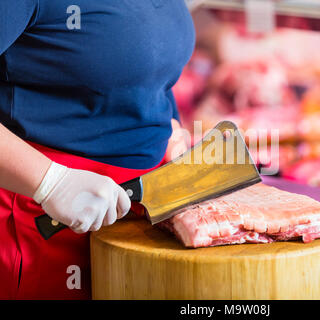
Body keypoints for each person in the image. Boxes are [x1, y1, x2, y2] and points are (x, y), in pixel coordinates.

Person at [0, 0, 194, 299]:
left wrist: (168, 125)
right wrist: (51, 183)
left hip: (138, 222)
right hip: (43, 221)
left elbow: (151, 68)